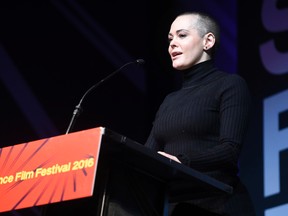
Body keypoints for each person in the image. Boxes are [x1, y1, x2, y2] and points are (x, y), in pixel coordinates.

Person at [144, 11, 256, 216]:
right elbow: (148, 157)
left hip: (221, 206)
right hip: (179, 208)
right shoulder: (169, 101)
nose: (172, 44)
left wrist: (183, 162)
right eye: (170, 38)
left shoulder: (230, 85)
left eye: (182, 35)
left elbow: (229, 151)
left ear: (208, 41)